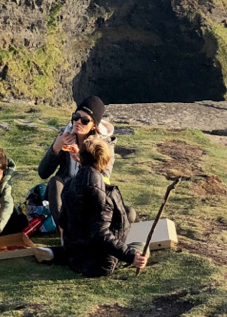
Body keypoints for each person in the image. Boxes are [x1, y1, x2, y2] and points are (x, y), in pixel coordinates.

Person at [54, 135, 146, 277]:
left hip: (74, 259)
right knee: (142, 246)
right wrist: (130, 256)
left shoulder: (69, 186)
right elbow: (101, 234)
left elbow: (63, 222)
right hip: (100, 264)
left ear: (81, 158)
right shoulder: (107, 193)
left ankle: (56, 253)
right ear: (105, 163)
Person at [37, 95, 118, 228]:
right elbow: (43, 173)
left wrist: (82, 162)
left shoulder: (103, 145)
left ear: (94, 126)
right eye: (75, 117)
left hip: (89, 196)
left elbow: (103, 180)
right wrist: (56, 147)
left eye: (85, 120)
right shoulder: (65, 136)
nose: (78, 122)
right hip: (66, 195)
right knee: (55, 182)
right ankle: (64, 232)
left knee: (128, 213)